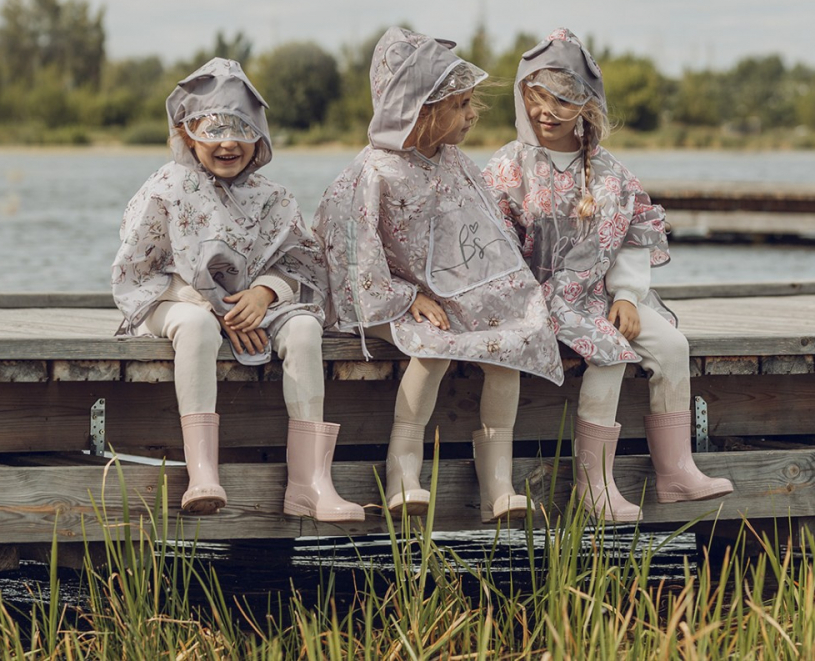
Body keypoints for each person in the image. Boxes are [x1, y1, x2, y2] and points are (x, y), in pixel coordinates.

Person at [313, 27, 563, 523]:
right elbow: (352, 254)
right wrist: (406, 298)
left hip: (451, 297)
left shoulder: (457, 164)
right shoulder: (374, 172)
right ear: (420, 111)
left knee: (511, 344)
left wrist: (500, 289)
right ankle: (403, 470)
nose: (473, 115)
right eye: (461, 105)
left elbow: (486, 232)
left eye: (470, 104)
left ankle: (498, 482)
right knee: (431, 351)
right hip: (387, 302)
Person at [483, 27, 733, 523]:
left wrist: (627, 296)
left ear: (586, 104)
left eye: (561, 100)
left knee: (672, 346)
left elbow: (633, 233)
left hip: (599, 294)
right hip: (539, 297)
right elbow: (495, 243)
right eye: (535, 97)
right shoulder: (510, 166)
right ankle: (593, 485)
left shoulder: (609, 172)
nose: (545, 112)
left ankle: (676, 470)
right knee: (609, 349)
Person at [111, 57, 364, 522]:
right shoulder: (166, 188)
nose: (228, 142)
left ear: (259, 136)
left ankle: (310, 483)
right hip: (173, 300)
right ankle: (203, 472)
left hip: (253, 307)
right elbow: (137, 268)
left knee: (305, 328)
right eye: (214, 129)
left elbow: (303, 265)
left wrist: (264, 293)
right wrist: (209, 305)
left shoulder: (274, 198)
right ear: (188, 133)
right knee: (196, 327)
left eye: (242, 128)